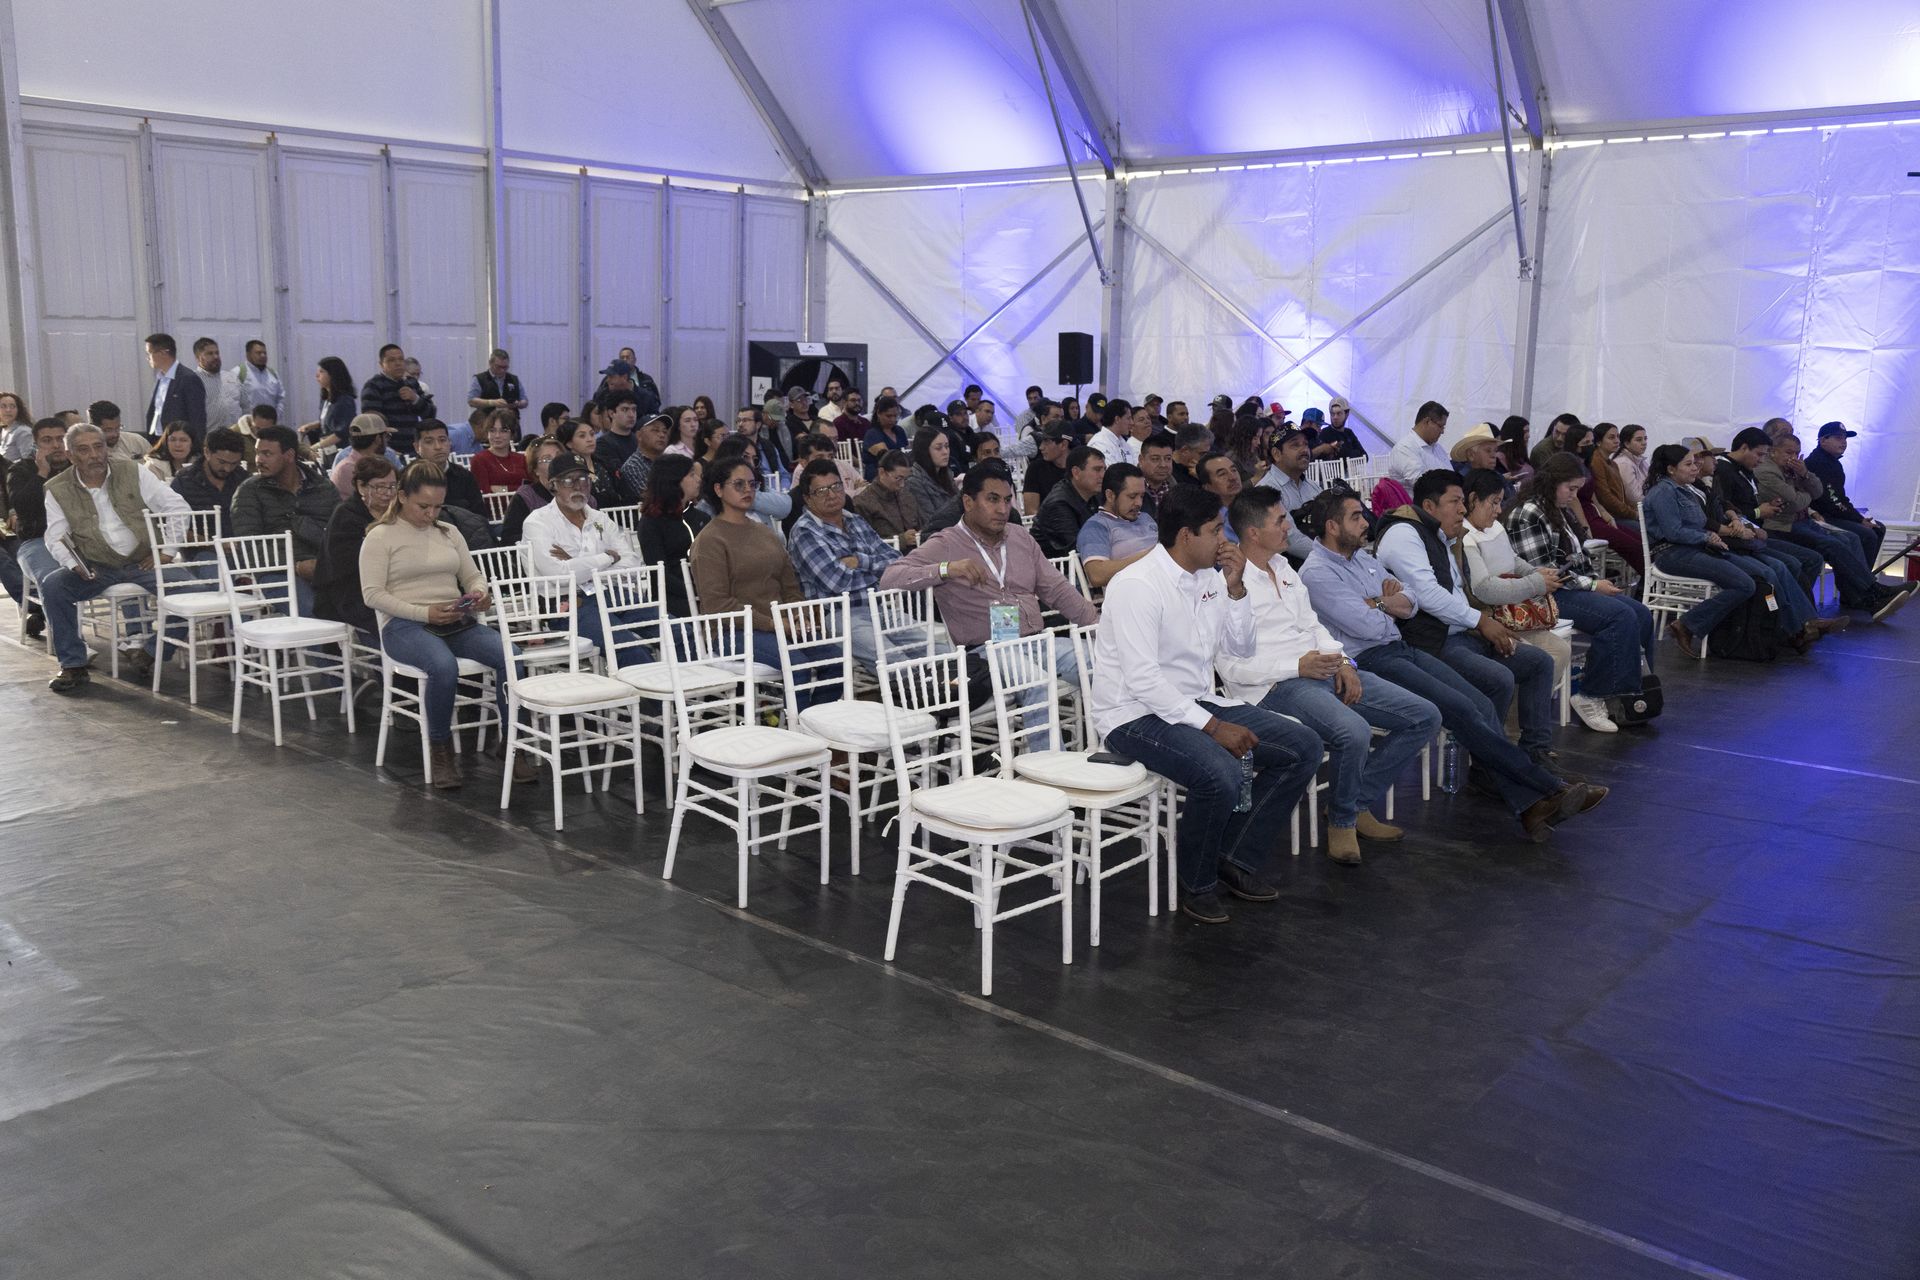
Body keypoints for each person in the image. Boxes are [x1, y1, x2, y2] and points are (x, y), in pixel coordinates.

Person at [1299, 489, 1605, 841]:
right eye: (1355, 517)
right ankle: (1548, 788)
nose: (1365, 522)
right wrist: (1388, 603)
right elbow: (1366, 626)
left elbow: (1411, 601)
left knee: (1478, 704)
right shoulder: (1317, 573)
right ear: (1332, 526)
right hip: (1367, 660)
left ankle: (1531, 805)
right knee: (1460, 709)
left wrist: (1379, 603)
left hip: (1398, 648)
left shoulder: (1360, 559)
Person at [1090, 484, 1324, 922]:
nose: (1224, 539)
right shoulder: (1138, 585)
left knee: (1303, 746)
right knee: (1220, 773)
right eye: (1216, 530)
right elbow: (1144, 680)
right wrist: (1212, 727)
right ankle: (1197, 884)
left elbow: (1240, 648)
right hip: (1133, 714)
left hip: (1193, 701)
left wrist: (1236, 591)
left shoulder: (1211, 579)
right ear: (1186, 536)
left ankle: (1234, 856)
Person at [1217, 486, 1440, 863]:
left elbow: (1314, 626)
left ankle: (1355, 802)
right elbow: (1230, 668)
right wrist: (1297, 667)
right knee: (1354, 730)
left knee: (1425, 716)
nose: (1289, 527)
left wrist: (1345, 662)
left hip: (1320, 668)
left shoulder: (1284, 568)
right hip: (1274, 686)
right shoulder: (1229, 585)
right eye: (1280, 520)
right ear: (1253, 532)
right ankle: (1342, 821)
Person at [879, 461, 1097, 743]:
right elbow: (890, 578)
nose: (1003, 509)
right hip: (986, 650)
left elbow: (1056, 589)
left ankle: (1106, 746)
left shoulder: (1019, 536)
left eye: (1007, 500)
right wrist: (946, 569)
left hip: (1034, 640)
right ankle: (1047, 764)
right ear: (968, 502)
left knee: (1100, 662)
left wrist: (1096, 624)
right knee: (1037, 683)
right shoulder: (947, 542)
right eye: (992, 500)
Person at [1377, 470, 1559, 764]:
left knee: (1539, 662)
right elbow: (1427, 594)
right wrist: (1482, 621)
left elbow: (1461, 591)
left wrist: (1483, 622)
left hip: (1463, 633)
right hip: (1432, 641)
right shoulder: (1404, 533)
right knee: (1498, 678)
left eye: (1463, 501)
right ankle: (1491, 766)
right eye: (1455, 501)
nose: (1463, 509)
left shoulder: (1442, 535)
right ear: (1429, 506)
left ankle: (1534, 752)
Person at [361, 462, 524, 789]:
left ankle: (513, 743)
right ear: (402, 497)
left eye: (437, 506)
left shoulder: (448, 532)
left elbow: (473, 575)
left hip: (454, 620)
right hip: (404, 625)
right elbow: (372, 595)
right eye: (424, 506)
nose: (431, 514)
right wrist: (424, 613)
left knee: (512, 657)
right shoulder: (380, 536)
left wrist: (479, 593)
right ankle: (440, 748)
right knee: (442, 666)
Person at [1501, 460, 1668, 724]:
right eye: (1570, 488)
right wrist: (1592, 585)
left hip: (1568, 587)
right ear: (1552, 483)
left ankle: (1630, 694)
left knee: (1641, 614)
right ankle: (1593, 695)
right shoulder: (1528, 514)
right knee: (1620, 617)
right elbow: (1543, 573)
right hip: (1542, 595)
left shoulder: (1556, 509)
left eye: (1577, 489)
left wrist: (1594, 582)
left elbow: (1576, 558)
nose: (1574, 495)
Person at [40, 422, 195, 692]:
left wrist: (167, 551)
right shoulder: (57, 488)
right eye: (84, 450)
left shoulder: (133, 471)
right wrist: (74, 565)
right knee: (53, 586)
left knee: (194, 591)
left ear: (106, 449)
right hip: (96, 566)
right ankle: (73, 664)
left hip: (143, 561)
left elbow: (177, 507)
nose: (94, 455)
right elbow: (56, 537)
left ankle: (153, 651)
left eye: (98, 447)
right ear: (70, 456)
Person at [1457, 468, 1574, 723]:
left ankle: (1526, 717)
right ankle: (1517, 721)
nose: (1499, 510)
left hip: (1514, 613)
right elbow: (1484, 588)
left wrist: (1535, 572)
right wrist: (1536, 583)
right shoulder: (1465, 537)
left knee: (1561, 650)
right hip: (1493, 619)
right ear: (1473, 499)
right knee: (1542, 659)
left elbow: (1512, 560)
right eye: (1494, 502)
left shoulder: (1494, 526)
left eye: (1500, 502)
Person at [1679, 437, 1824, 642]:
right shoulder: (1694, 485)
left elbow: (1725, 505)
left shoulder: (1708, 483)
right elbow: (1701, 522)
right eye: (1693, 462)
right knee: (1771, 571)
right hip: (1720, 543)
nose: (1714, 461)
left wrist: (1739, 521)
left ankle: (1803, 622)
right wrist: (1741, 527)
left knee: (1789, 564)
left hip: (1738, 537)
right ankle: (1793, 627)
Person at [1758, 432, 1908, 618]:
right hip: (1783, 525)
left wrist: (1804, 475)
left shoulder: (1799, 468)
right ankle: (1871, 592)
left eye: (1797, 453)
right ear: (1773, 451)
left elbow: (1818, 491)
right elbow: (1799, 501)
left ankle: (1859, 595)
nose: (1794, 457)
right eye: (1789, 452)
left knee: (1850, 538)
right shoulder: (1768, 471)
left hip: (1805, 519)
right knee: (1835, 543)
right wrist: (1805, 494)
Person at [689, 456, 807, 679]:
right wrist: (772, 623)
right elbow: (717, 605)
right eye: (739, 484)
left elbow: (790, 586)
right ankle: (796, 704)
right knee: (798, 666)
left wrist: (798, 615)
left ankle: (807, 704)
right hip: (731, 631)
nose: (748, 490)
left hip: (778, 623)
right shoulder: (709, 540)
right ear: (718, 489)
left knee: (834, 659)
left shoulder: (764, 531)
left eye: (752, 484)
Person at [1641, 444, 1761, 656]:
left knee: (1755, 575)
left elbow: (1699, 523)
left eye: (1695, 463)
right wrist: (1706, 536)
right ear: (1671, 469)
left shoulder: (1685, 489)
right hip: (1672, 553)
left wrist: (1710, 535)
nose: (1695, 468)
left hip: (1694, 548)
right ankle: (1686, 625)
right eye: (1688, 464)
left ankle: (1735, 637)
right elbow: (1673, 532)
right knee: (1745, 584)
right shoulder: (1663, 492)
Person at [522, 453, 645, 652]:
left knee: (676, 630)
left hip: (610, 593)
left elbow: (632, 563)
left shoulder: (600, 518)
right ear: (553, 485)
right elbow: (561, 576)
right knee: (625, 645)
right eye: (568, 481)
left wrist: (577, 564)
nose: (578, 486)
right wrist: (608, 557)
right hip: (567, 603)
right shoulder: (537, 522)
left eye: (583, 479)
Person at [788, 457, 901, 668]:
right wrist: (878, 574)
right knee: (895, 661)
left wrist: (860, 562)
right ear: (807, 499)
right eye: (821, 491)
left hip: (880, 608)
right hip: (839, 616)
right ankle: (923, 686)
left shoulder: (855, 520)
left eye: (836, 486)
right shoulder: (805, 532)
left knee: (937, 649)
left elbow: (898, 563)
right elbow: (838, 582)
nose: (831, 495)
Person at [230, 425, 341, 614]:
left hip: (325, 568)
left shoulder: (323, 487)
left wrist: (326, 563)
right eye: (258, 453)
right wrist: (297, 567)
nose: (259, 460)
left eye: (267, 454)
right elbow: (249, 547)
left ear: (289, 456)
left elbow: (341, 534)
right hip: (275, 572)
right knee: (313, 610)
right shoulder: (249, 491)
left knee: (364, 607)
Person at [1714, 427, 1830, 601]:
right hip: (1743, 537)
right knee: (1792, 562)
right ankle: (1791, 612)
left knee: (1815, 556)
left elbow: (1817, 492)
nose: (1761, 460)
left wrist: (1765, 507)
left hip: (1756, 532)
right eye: (1760, 454)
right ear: (1744, 448)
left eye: (1797, 453)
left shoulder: (1745, 469)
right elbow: (1724, 512)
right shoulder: (1725, 470)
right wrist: (1759, 512)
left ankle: (1800, 612)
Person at [314, 455, 396, 639]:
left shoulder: (397, 513)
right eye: (380, 487)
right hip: (350, 591)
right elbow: (345, 565)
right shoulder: (346, 516)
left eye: (392, 486)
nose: (388, 493)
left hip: (391, 586)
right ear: (361, 487)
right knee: (395, 620)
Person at [5, 418, 70, 636]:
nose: (56, 445)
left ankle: (135, 637)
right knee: (54, 580)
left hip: (81, 539)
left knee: (127, 563)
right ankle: (69, 641)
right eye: (47, 440)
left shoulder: (78, 467)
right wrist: (41, 474)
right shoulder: (20, 470)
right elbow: (23, 507)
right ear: (36, 444)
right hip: (37, 540)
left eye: (61, 439)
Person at [1804, 422, 1884, 567]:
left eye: (1845, 438)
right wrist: (1858, 519)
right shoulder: (1819, 463)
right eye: (1838, 438)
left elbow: (1839, 498)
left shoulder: (1832, 462)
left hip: (1832, 513)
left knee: (1878, 528)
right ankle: (1859, 579)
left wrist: (1859, 517)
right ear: (1823, 440)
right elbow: (1831, 501)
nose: (1844, 442)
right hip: (1821, 516)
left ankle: (1864, 576)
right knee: (1868, 535)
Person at [637, 454, 709, 618]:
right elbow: (661, 574)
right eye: (691, 475)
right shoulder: (651, 523)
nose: (698, 479)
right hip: (672, 597)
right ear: (674, 480)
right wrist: (695, 592)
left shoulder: (701, 517)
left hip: (705, 590)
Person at [1076, 462, 1158, 592]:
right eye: (1132, 496)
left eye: (1142, 496)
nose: (1139, 503)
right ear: (1110, 495)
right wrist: (1151, 556)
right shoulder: (1096, 527)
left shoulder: (1145, 518)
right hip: (1133, 594)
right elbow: (1096, 575)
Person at [1254, 426, 1320, 561]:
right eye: (1295, 445)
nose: (1304, 450)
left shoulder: (1312, 486)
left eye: (1306, 444)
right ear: (1276, 454)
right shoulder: (1266, 490)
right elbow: (1292, 541)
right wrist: (1331, 555)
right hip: (1289, 567)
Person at [360, 344, 436, 455]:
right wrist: (386, 448)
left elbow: (431, 414)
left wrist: (415, 398)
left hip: (414, 448)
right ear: (381, 364)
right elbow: (371, 422)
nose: (398, 363)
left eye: (401, 359)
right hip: (388, 450)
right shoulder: (374, 386)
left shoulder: (412, 383)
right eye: (391, 360)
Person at [1034, 445, 1104, 559]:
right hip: (1059, 566)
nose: (1103, 475)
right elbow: (1077, 547)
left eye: (1104, 469)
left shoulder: (1095, 494)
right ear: (1076, 473)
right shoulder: (1058, 504)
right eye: (1097, 470)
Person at [171, 426, 248, 529]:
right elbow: (173, 523)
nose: (227, 468)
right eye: (222, 462)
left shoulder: (244, 479)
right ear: (207, 452)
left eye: (234, 463)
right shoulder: (184, 481)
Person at [414, 420, 486, 517]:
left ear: (450, 442)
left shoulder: (464, 476)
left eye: (442, 440)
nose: (438, 447)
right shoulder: (408, 478)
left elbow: (480, 516)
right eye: (429, 442)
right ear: (417, 447)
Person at [501, 436, 564, 546]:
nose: (556, 462)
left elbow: (594, 525)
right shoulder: (525, 497)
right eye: (547, 459)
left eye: (559, 457)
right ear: (535, 469)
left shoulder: (580, 489)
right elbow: (509, 539)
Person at [850, 449, 922, 546]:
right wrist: (901, 541)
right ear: (882, 472)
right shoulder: (862, 503)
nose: (902, 485)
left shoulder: (907, 493)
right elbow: (864, 544)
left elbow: (920, 524)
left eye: (905, 479)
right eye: (898, 478)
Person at [143, 333, 207, 442]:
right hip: (159, 439)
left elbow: (197, 418)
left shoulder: (188, 378)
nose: (147, 358)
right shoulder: (161, 378)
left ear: (163, 353)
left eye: (149, 353)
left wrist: (196, 446)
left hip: (180, 442)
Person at [330, 414, 401, 499]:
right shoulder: (350, 469)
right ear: (378, 439)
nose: (386, 442)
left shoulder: (347, 465)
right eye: (386, 436)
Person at [555, 418, 620, 509]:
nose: (590, 439)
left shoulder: (605, 464)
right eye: (582, 436)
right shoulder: (565, 471)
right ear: (569, 443)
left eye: (592, 434)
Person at [612, 408, 672, 507]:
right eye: (655, 430)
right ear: (639, 435)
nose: (662, 435)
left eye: (665, 431)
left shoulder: (670, 462)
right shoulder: (632, 466)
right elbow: (652, 498)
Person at [1387, 400, 1452, 485]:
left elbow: (1451, 476)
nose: (1442, 431)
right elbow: (1422, 485)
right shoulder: (1405, 448)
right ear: (1427, 421)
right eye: (1440, 426)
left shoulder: (1437, 448)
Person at [301, 357, 357, 451]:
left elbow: (342, 432)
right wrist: (312, 426)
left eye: (321, 371)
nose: (317, 375)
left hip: (341, 450)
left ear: (333, 374)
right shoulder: (326, 398)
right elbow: (329, 420)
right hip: (327, 449)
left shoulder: (345, 401)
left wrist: (316, 447)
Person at [189, 338, 242, 433]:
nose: (216, 357)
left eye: (217, 353)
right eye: (210, 354)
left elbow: (245, 406)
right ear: (198, 358)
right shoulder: (192, 380)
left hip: (236, 436)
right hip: (209, 437)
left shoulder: (231, 377)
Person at [905, 426, 957, 521]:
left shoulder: (947, 474)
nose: (945, 452)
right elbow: (930, 520)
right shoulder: (913, 481)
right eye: (938, 448)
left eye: (947, 446)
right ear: (924, 451)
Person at [471, 411, 528, 494]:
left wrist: (503, 489)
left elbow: (531, 489)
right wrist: (519, 489)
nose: (497, 435)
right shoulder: (479, 460)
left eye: (503, 431)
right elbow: (484, 493)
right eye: (492, 430)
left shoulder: (522, 459)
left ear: (512, 434)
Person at [1021, 425, 1073, 517]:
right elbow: (1031, 511)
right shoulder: (1036, 469)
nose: (1041, 447)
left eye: (1046, 441)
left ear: (1063, 445)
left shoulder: (1081, 468)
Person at [860, 395, 911, 481]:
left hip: (899, 473)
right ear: (878, 413)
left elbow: (906, 451)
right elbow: (886, 458)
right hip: (878, 475)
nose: (893, 420)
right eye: (889, 416)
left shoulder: (899, 430)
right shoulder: (872, 434)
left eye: (895, 416)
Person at [1198, 451, 1244, 543]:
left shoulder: (1254, 505)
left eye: (1234, 470)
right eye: (1222, 474)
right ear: (1207, 487)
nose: (1233, 477)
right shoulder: (1208, 523)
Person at [466, 348, 528, 417]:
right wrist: (491, 402)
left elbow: (525, 401)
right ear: (490, 363)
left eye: (505, 367)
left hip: (511, 420)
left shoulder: (514, 379)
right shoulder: (479, 379)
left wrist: (518, 404)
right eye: (499, 367)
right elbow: (471, 401)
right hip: (487, 420)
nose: (502, 370)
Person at [1136, 430, 1175, 519]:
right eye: (1155, 459)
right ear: (1141, 460)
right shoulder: (1128, 488)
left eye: (1168, 459)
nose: (1163, 465)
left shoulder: (1177, 488)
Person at [1087, 399, 1137, 467]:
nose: (1132, 423)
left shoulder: (1124, 443)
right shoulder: (1099, 443)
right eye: (1128, 418)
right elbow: (1109, 472)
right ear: (1117, 419)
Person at [1615, 424, 1650, 508]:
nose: (1644, 443)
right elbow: (1635, 498)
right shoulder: (1624, 463)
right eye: (1639, 440)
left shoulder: (1641, 461)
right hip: (1636, 511)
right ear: (1627, 443)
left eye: (1645, 438)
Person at [1496, 415, 1533, 486]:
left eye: (1528, 431)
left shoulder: (1520, 454)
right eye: (1525, 432)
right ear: (1514, 434)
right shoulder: (1499, 459)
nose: (1528, 436)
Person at [0, 390, 32, 463]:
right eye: (3, 406)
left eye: (12, 406)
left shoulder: (23, 432)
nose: (8, 410)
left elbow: (28, 461)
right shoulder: (4, 430)